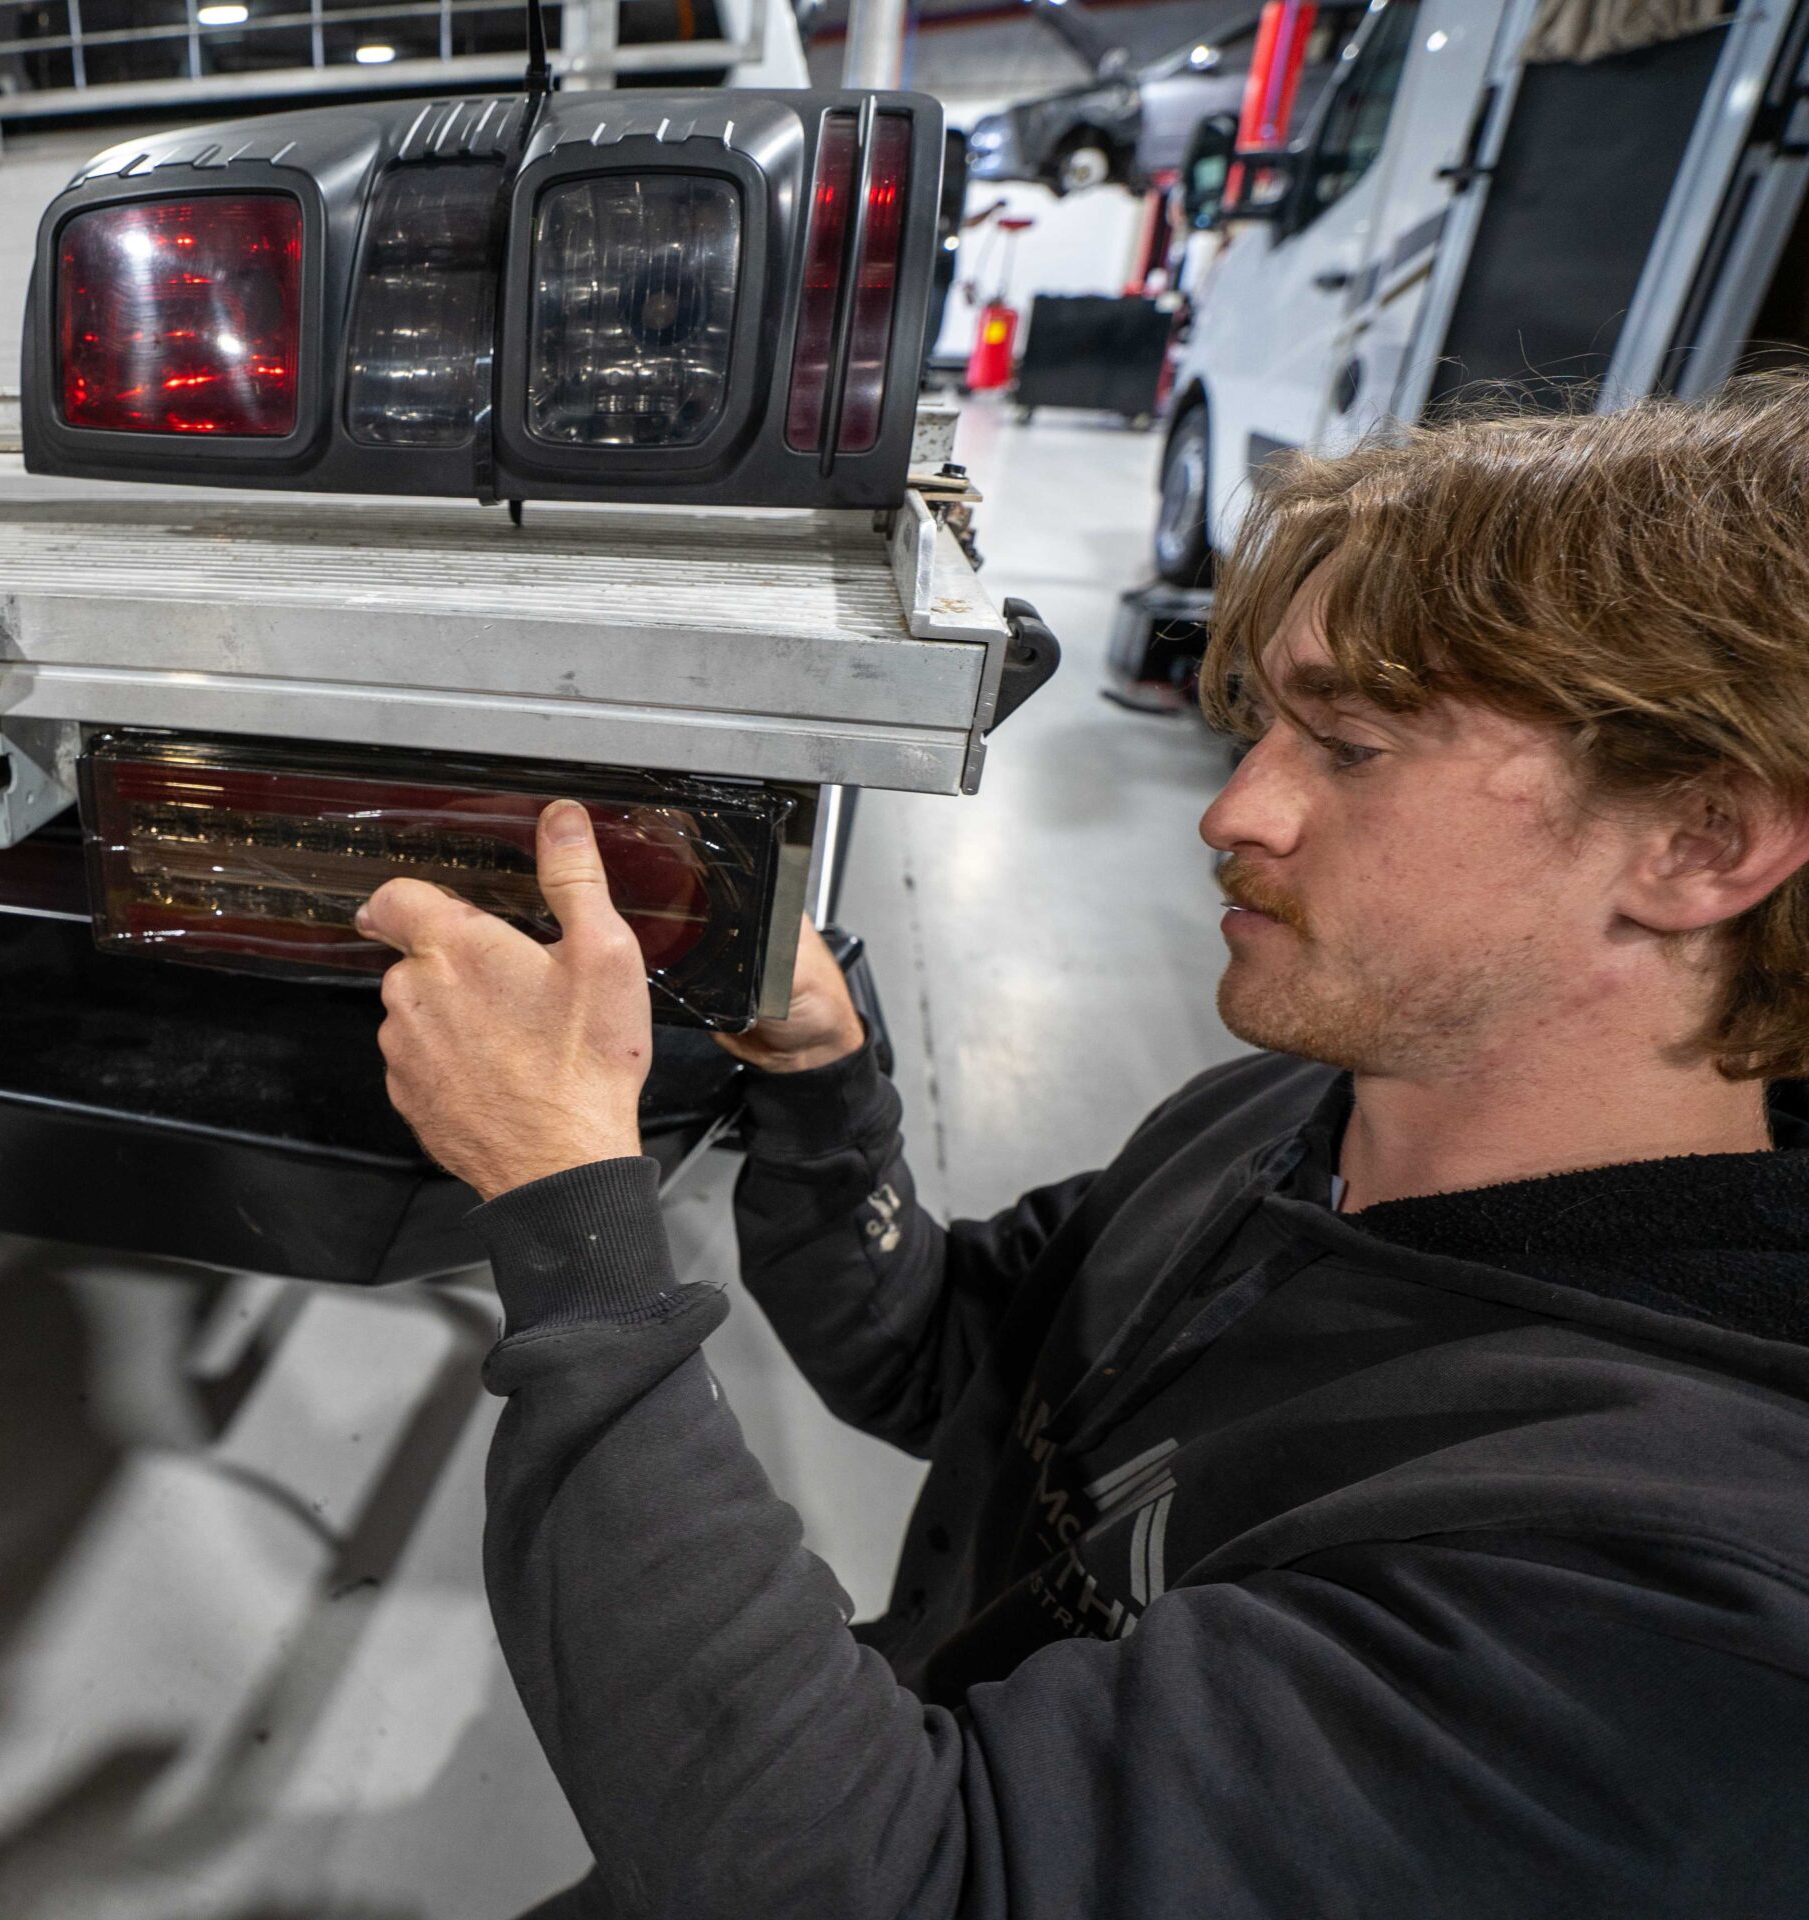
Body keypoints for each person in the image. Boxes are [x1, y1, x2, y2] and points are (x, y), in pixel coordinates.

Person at [355, 379, 1809, 1917]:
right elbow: (944, 1362)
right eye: (1261, 727)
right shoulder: (1305, 1118)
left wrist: (570, 1215)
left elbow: (912, 1888)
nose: (1234, 808)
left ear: (1700, 843)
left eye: (1356, 747)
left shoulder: (1669, 1599)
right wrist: (824, 1084)